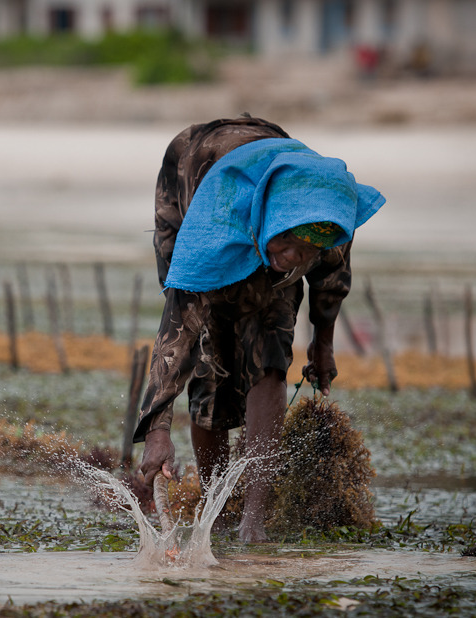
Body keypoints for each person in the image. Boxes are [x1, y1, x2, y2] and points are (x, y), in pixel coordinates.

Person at [133, 116, 385, 542]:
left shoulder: (326, 222)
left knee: (270, 352)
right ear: (273, 224)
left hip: (271, 194)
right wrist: (157, 429)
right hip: (198, 182)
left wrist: (323, 347)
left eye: (305, 252)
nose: (292, 256)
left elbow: (331, 284)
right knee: (209, 357)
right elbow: (177, 333)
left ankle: (254, 520)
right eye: (286, 244)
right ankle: (217, 506)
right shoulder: (207, 231)